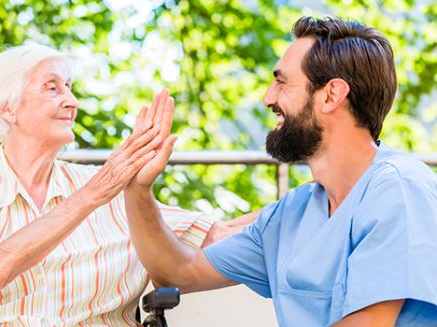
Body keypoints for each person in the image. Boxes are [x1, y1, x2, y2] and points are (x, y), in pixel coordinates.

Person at [123, 16, 437, 326]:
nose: (267, 98)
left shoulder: (399, 187)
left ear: (331, 95)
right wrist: (138, 188)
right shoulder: (292, 214)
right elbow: (178, 272)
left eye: (282, 82)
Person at [0, 44, 250, 326]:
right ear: (8, 108)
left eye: (69, 88)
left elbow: (217, 235)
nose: (71, 101)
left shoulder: (112, 189)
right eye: (52, 88)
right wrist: (92, 195)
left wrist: (300, 199)